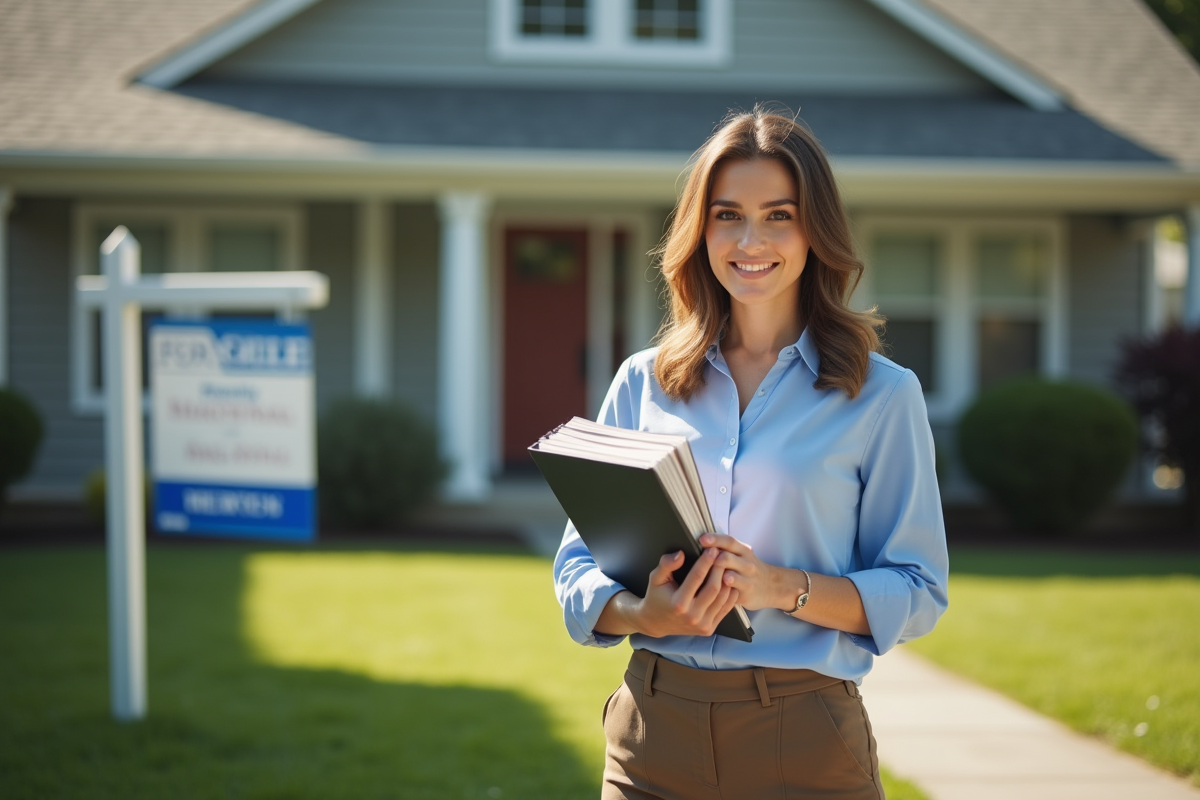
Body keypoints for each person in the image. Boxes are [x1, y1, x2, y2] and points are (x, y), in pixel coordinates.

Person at [552, 107, 949, 800]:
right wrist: (644, 615)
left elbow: (917, 590)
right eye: (728, 215)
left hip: (804, 737)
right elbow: (578, 565)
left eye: (778, 216)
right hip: (651, 735)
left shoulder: (882, 395)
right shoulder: (643, 382)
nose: (750, 240)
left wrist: (780, 588)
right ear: (700, 230)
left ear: (815, 230)